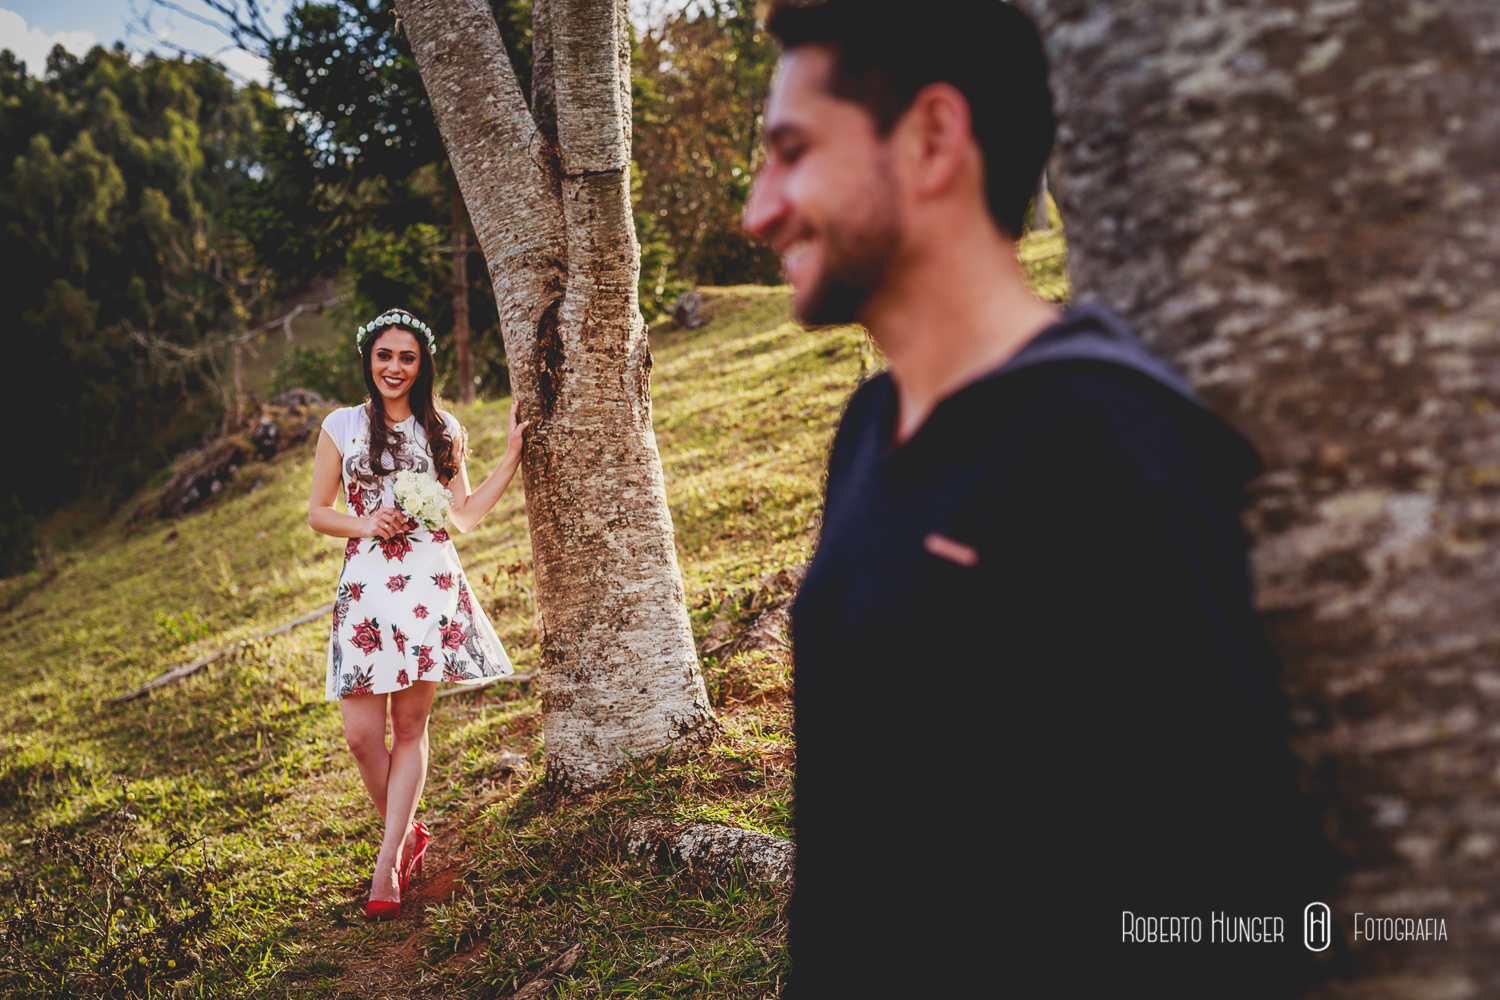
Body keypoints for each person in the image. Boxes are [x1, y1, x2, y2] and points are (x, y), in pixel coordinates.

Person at [743, 2, 1339, 995]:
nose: (759, 211)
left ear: (933, 138)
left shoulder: (1105, 442)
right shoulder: (867, 430)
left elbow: (1254, 911)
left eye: (792, 152)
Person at [307, 308, 528, 921]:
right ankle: (407, 836)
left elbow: (464, 516)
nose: (394, 368)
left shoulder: (441, 427)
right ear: (368, 360)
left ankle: (387, 866)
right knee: (359, 738)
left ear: (422, 364)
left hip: (428, 587)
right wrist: (366, 521)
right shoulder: (342, 425)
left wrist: (510, 455)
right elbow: (318, 512)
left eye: (407, 357)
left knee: (409, 729)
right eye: (384, 355)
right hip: (365, 594)